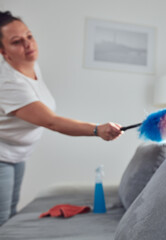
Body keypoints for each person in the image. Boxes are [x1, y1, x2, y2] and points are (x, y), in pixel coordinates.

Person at [0, 11, 123, 226]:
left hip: (16, 154)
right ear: (3, 51)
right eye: (17, 42)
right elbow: (51, 122)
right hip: (2, 156)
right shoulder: (9, 83)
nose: (28, 44)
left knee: (10, 215)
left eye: (29, 36)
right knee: (2, 220)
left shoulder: (30, 65)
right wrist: (97, 129)